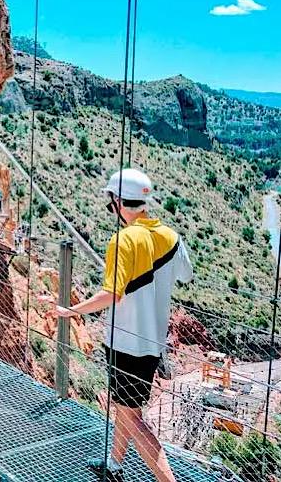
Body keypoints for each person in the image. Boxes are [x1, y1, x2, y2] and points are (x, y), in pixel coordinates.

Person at [40, 168, 192, 482]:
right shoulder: (170, 237)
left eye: (112, 202)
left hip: (125, 343)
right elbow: (186, 275)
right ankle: (115, 464)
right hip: (153, 343)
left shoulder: (122, 240)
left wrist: (71, 311)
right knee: (127, 408)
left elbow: (111, 294)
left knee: (132, 418)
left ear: (119, 202)